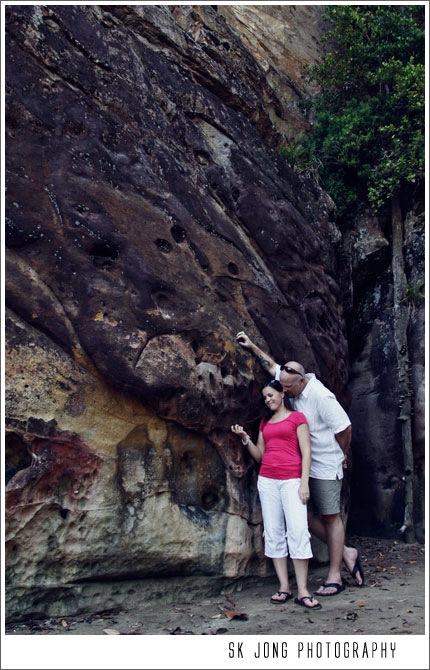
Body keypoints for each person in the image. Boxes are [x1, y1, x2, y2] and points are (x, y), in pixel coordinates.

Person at [236, 331, 365, 596]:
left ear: (302, 381)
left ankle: (334, 575)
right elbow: (272, 366)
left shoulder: (321, 396)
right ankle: (347, 552)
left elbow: (345, 428)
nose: (283, 392)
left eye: (288, 389)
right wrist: (251, 346)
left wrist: (342, 454)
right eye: (281, 387)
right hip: (299, 466)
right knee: (303, 516)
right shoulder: (288, 380)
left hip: (325, 463)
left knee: (330, 517)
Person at [231, 380, 322, 610]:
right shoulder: (265, 422)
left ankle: (303, 590)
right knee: (273, 532)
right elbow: (260, 456)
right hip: (268, 481)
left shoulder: (297, 418)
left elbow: (307, 452)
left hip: (292, 480)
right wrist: (245, 438)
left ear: (282, 393)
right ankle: (284, 587)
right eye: (265, 397)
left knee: (298, 531)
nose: (268, 399)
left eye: (271, 395)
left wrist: (304, 483)